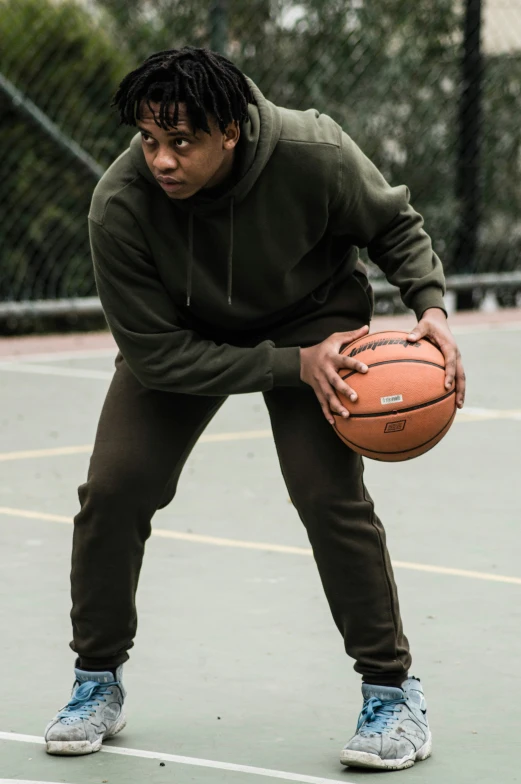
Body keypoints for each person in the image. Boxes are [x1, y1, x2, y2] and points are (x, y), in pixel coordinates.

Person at [44, 46, 465, 771]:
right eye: (149, 140)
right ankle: (95, 680)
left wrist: (429, 307)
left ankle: (393, 696)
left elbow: (392, 225)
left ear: (230, 131)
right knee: (114, 490)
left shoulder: (313, 151)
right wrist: (281, 367)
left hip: (315, 324)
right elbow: (156, 356)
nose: (162, 160)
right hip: (186, 334)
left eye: (182, 142)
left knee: (327, 496)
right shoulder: (120, 205)